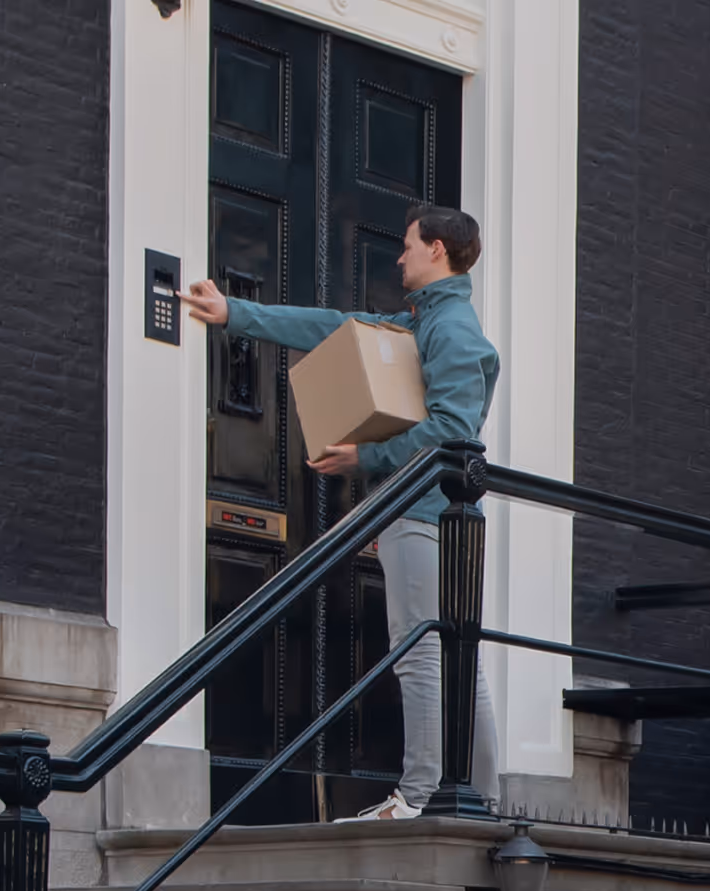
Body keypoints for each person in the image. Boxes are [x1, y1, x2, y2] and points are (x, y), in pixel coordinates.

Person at [183, 205, 500, 822]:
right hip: (439, 519)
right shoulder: (425, 320)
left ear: (436, 250)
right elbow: (335, 329)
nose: (400, 256)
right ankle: (478, 800)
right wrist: (236, 313)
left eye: (408, 246)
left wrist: (366, 457)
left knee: (422, 655)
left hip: (424, 515)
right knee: (457, 657)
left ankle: (419, 797)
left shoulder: (452, 329)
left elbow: (453, 435)